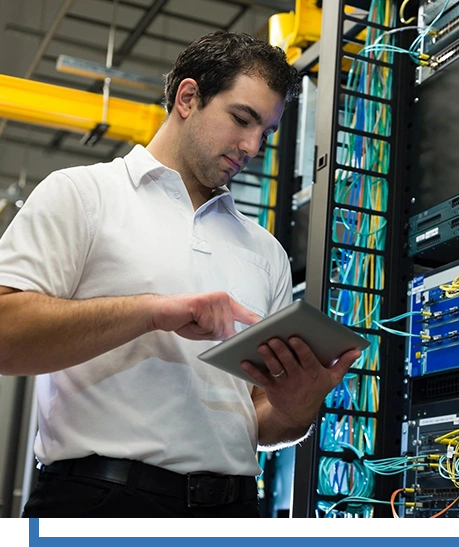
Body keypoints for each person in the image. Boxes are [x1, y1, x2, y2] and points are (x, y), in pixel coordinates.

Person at [0, 30, 361, 520]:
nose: (253, 145)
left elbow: (258, 419)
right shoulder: (83, 195)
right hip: (98, 504)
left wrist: (296, 406)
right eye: (242, 119)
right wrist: (152, 311)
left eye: (267, 132)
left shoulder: (266, 253)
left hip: (232, 510)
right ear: (188, 97)